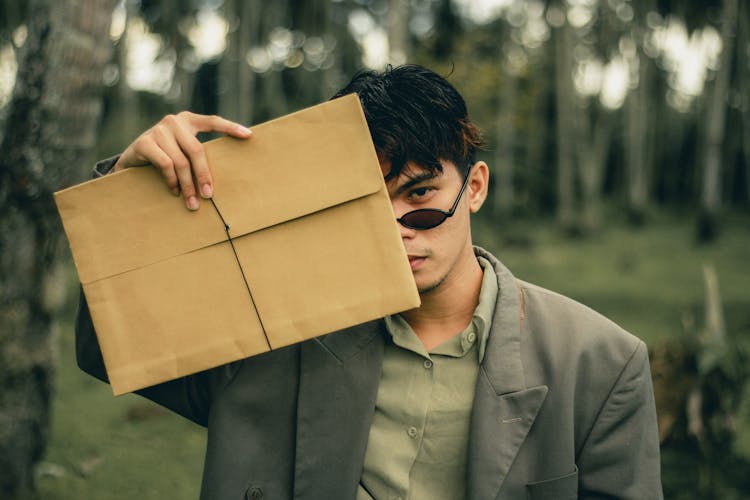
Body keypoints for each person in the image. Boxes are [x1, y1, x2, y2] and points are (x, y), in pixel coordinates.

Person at [76, 64, 663, 499]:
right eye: (367, 204)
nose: (396, 229)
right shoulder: (274, 333)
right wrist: (131, 194)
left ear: (475, 188)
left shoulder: (601, 364)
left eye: (420, 196)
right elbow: (111, 346)